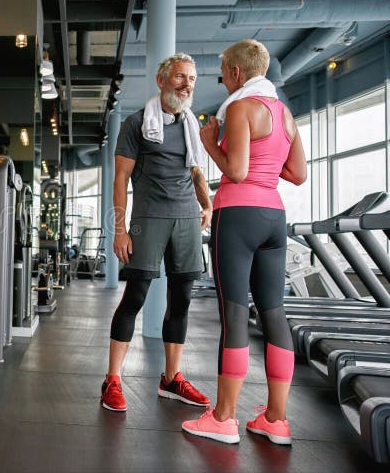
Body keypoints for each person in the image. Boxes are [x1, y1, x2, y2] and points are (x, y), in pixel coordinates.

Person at [182, 39, 307, 444]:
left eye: (222, 72)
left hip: (237, 215)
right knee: (274, 313)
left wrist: (208, 144)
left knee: (234, 314)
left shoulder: (239, 108)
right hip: (275, 216)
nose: (222, 80)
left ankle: (223, 417)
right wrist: (265, 169)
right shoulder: (284, 113)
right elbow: (298, 174)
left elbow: (235, 171)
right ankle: (276, 419)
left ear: (237, 72)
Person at [103, 53, 212, 412]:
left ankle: (171, 379)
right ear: (162, 80)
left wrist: (206, 203)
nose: (187, 84)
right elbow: (120, 179)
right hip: (148, 218)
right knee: (135, 297)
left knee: (181, 301)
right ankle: (113, 379)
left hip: (186, 219)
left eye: (192, 78)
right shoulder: (136, 123)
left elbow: (196, 171)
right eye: (181, 77)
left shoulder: (190, 125)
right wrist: (120, 229)